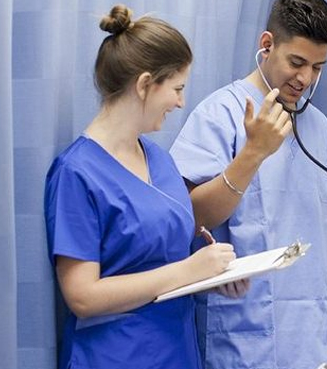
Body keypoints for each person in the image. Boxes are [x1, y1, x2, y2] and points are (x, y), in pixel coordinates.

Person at [169, 0, 327, 368]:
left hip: (307, 325)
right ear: (267, 44)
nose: (305, 79)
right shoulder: (220, 114)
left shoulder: (318, 126)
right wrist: (253, 153)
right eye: (296, 62)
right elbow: (193, 215)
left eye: (317, 67)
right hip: (241, 322)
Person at [43, 5, 238, 369]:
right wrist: (189, 271)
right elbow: (82, 296)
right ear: (145, 84)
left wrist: (214, 275)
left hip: (176, 350)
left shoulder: (160, 160)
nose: (180, 102)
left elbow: (166, 259)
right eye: (177, 88)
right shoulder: (76, 173)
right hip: (114, 356)